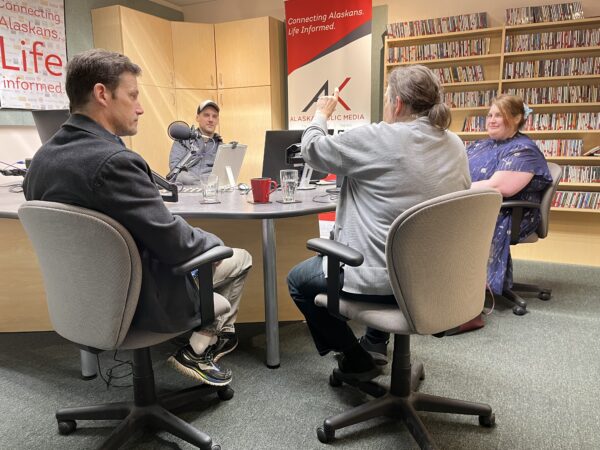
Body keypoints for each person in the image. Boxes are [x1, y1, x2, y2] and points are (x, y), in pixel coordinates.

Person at [23, 49, 252, 387]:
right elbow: (177, 245)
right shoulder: (114, 161)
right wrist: (215, 245)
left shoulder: (41, 160)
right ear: (102, 94)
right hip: (141, 299)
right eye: (132, 95)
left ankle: (203, 343)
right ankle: (200, 347)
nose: (141, 107)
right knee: (238, 257)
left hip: (84, 299)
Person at [287, 65, 471, 380]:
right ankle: (375, 341)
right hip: (436, 282)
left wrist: (320, 114)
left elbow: (312, 149)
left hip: (381, 284)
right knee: (385, 240)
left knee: (298, 281)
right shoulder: (454, 144)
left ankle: (355, 358)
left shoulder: (378, 137)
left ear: (397, 103)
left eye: (387, 99)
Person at [467, 94, 552, 297]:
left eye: (499, 115)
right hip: (480, 205)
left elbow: (499, 187)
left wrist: (453, 188)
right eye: (489, 115)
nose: (492, 120)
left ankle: (466, 288)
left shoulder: (523, 150)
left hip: (512, 213)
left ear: (516, 119)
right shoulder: (482, 145)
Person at [168, 100, 222, 185]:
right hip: (186, 190)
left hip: (210, 192)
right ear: (197, 118)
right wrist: (199, 184)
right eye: (206, 115)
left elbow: (223, 176)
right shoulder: (183, 139)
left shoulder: (220, 146)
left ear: (218, 121)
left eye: (214, 116)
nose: (211, 120)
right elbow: (175, 170)